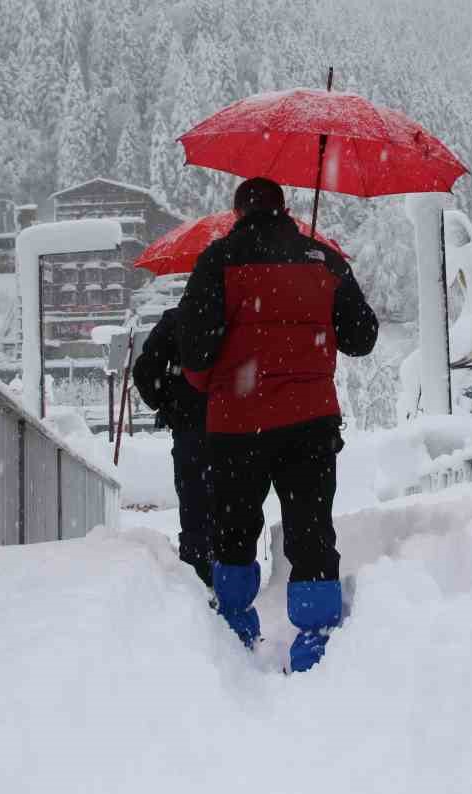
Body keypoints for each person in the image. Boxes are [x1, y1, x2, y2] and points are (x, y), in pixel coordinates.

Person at [178, 177, 379, 672]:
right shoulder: (325, 260)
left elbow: (194, 350)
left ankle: (236, 629)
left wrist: (212, 382)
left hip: (236, 425)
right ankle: (314, 640)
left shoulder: (217, 261)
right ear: (284, 209)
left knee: (234, 529)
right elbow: (362, 337)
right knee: (311, 532)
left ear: (239, 212)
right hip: (309, 425)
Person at [131, 306, 213, 588]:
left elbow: (144, 370)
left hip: (189, 424)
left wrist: (166, 402)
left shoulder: (176, 320)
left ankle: (199, 579)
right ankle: (235, 580)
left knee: (194, 504)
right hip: (234, 423)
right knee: (235, 505)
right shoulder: (239, 315)